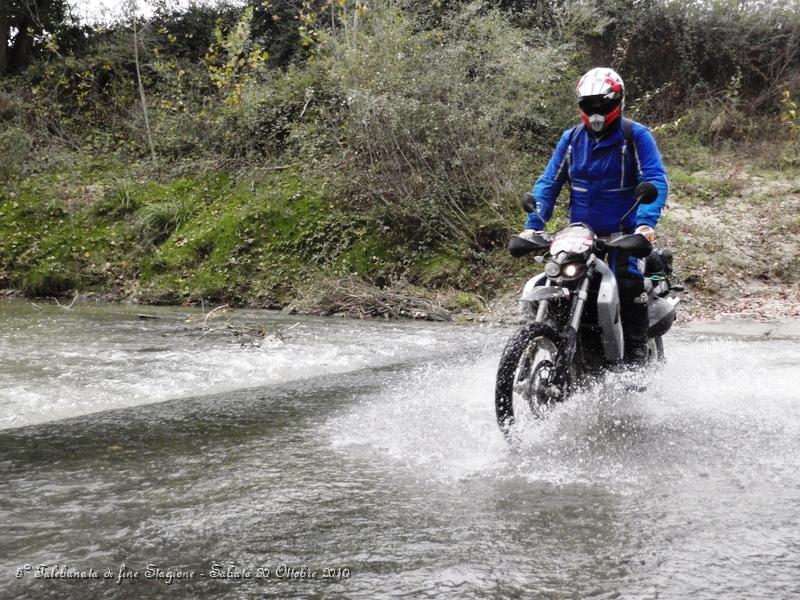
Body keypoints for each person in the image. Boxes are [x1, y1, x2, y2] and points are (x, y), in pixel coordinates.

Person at [520, 67, 669, 363]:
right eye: (590, 106)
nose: (597, 112)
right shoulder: (571, 139)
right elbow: (549, 182)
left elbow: (655, 179)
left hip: (622, 234)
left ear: (618, 102)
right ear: (581, 106)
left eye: (603, 104)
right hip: (579, 235)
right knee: (547, 283)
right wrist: (533, 224)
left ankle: (636, 355)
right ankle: (542, 342)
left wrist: (645, 223)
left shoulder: (635, 136)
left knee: (626, 282)